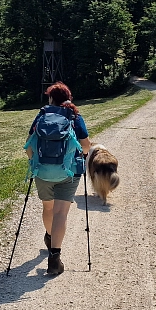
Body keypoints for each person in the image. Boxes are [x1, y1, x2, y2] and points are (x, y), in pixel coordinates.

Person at [25, 82, 92, 275]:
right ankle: (54, 259)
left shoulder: (41, 115)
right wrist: (81, 156)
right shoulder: (74, 116)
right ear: (68, 98)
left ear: (51, 98)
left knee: (48, 208)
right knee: (61, 213)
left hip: (43, 172)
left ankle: (49, 235)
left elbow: (29, 146)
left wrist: (34, 163)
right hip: (68, 172)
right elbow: (86, 146)